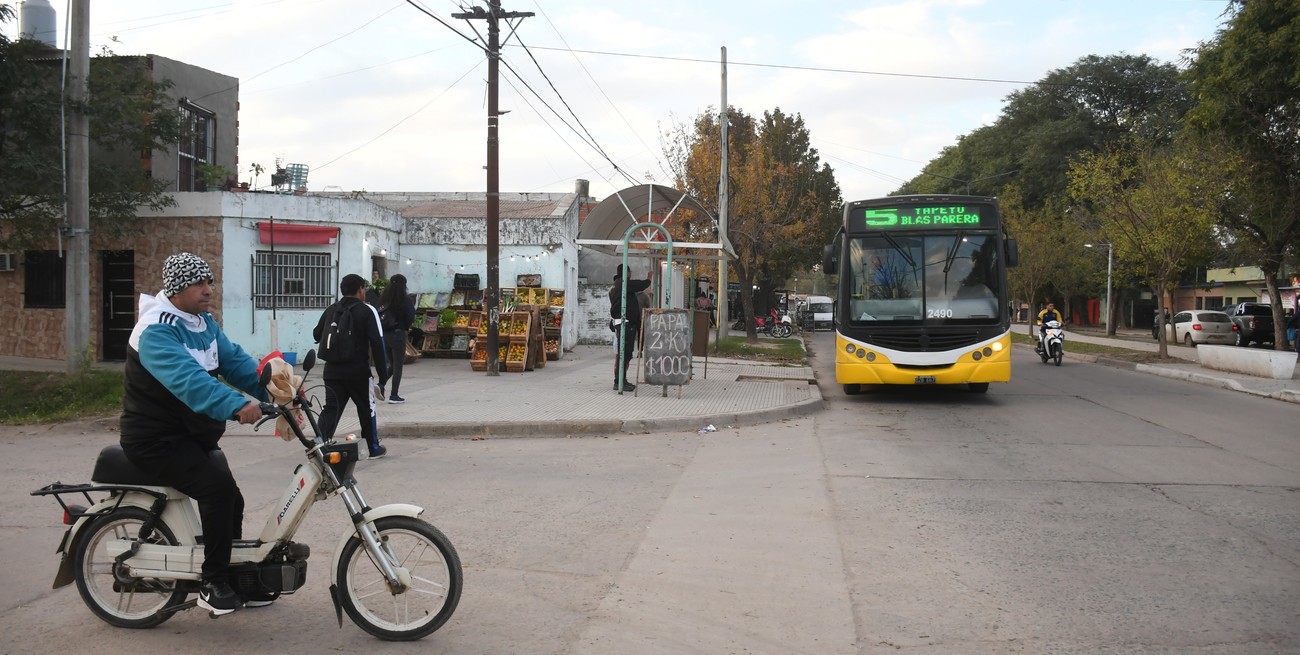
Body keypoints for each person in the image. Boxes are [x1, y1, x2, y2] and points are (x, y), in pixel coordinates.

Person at [119, 252, 270, 616]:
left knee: (232, 499)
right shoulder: (155, 330)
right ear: (176, 287)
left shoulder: (202, 323)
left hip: (190, 436)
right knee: (217, 491)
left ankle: (231, 575)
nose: (208, 290)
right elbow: (190, 382)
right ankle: (212, 582)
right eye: (199, 284)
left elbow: (236, 362)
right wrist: (237, 405)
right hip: (156, 440)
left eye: (209, 282)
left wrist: (279, 387)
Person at [313, 273, 390, 459]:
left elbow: (316, 335)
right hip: (358, 372)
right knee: (366, 408)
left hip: (331, 371)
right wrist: (383, 376)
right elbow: (378, 344)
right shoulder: (367, 310)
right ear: (361, 290)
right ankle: (372, 447)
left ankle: (318, 446)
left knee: (331, 408)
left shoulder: (332, 309)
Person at [609, 264, 653, 392]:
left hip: (625, 323)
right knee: (625, 353)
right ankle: (619, 382)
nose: (631, 275)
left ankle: (622, 380)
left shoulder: (618, 285)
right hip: (625, 324)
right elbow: (640, 285)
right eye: (630, 272)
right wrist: (649, 279)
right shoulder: (623, 283)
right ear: (627, 273)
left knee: (625, 354)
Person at [377, 273, 416, 403]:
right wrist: (406, 326)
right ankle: (394, 395)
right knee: (398, 366)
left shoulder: (384, 299)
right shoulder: (404, 299)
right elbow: (410, 316)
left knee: (391, 364)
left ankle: (381, 384)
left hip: (385, 334)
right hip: (398, 334)